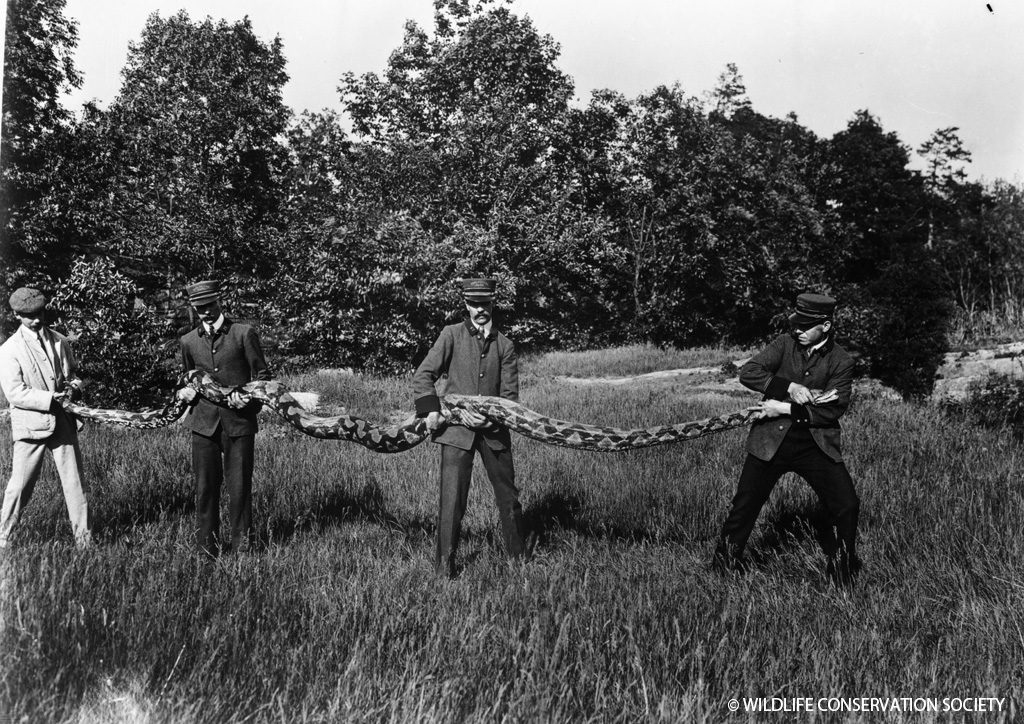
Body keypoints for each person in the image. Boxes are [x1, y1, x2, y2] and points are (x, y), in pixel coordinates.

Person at [712, 292, 861, 585]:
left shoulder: (842, 361)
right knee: (745, 504)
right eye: (796, 323)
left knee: (847, 505)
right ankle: (722, 570)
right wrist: (789, 386)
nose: (798, 330)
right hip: (770, 442)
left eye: (806, 326)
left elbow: (832, 410)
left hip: (815, 444)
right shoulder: (784, 344)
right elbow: (749, 373)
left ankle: (842, 577)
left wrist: (781, 407)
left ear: (826, 326)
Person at [413, 277, 528, 578]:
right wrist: (431, 412)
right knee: (451, 502)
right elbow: (423, 376)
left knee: (509, 499)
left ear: (493, 303)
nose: (480, 310)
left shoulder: (505, 345)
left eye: (485, 303)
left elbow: (510, 398)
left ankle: (519, 565)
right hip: (455, 432)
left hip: (494, 432)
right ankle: (443, 570)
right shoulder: (450, 335)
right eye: (474, 304)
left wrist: (491, 419)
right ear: (465, 304)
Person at [177, 280, 270, 555]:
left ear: (219, 302)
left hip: (239, 424)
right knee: (205, 489)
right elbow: (187, 377)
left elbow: (263, 377)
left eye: (209, 305)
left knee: (240, 488)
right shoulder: (188, 340)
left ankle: (243, 549)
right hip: (203, 425)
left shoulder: (243, 333)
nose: (205, 312)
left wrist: (249, 399)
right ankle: (207, 550)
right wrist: (184, 392)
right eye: (199, 307)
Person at [0, 287, 91, 548]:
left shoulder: (60, 340)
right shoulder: (8, 350)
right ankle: (3, 538)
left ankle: (84, 542)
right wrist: (50, 398)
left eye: (39, 313)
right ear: (17, 315)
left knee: (76, 484)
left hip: (63, 422)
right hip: (30, 426)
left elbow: (73, 375)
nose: (36, 320)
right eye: (29, 316)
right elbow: (16, 393)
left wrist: (74, 387)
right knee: (20, 486)